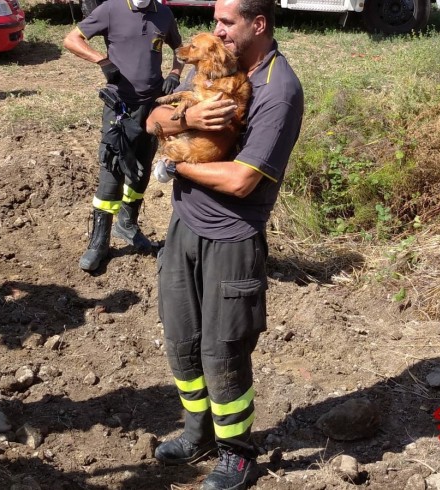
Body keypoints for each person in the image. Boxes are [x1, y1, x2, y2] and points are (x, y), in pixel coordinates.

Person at [146, 0, 304, 486]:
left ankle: (237, 452)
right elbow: (154, 119)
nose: (216, 29)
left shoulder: (278, 90)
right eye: (215, 20)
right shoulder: (213, 64)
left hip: (232, 238)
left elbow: (240, 181)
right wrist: (186, 122)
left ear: (258, 24)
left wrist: (175, 166)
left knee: (223, 351)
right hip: (185, 225)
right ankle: (199, 432)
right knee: (181, 340)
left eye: (226, 21)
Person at [63, 0, 184, 272]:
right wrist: (102, 60)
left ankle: (127, 226)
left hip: (153, 106)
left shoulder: (163, 13)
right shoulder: (111, 9)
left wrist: (175, 73)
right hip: (120, 106)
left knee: (140, 170)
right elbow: (72, 40)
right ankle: (99, 242)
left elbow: (180, 49)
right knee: (113, 169)